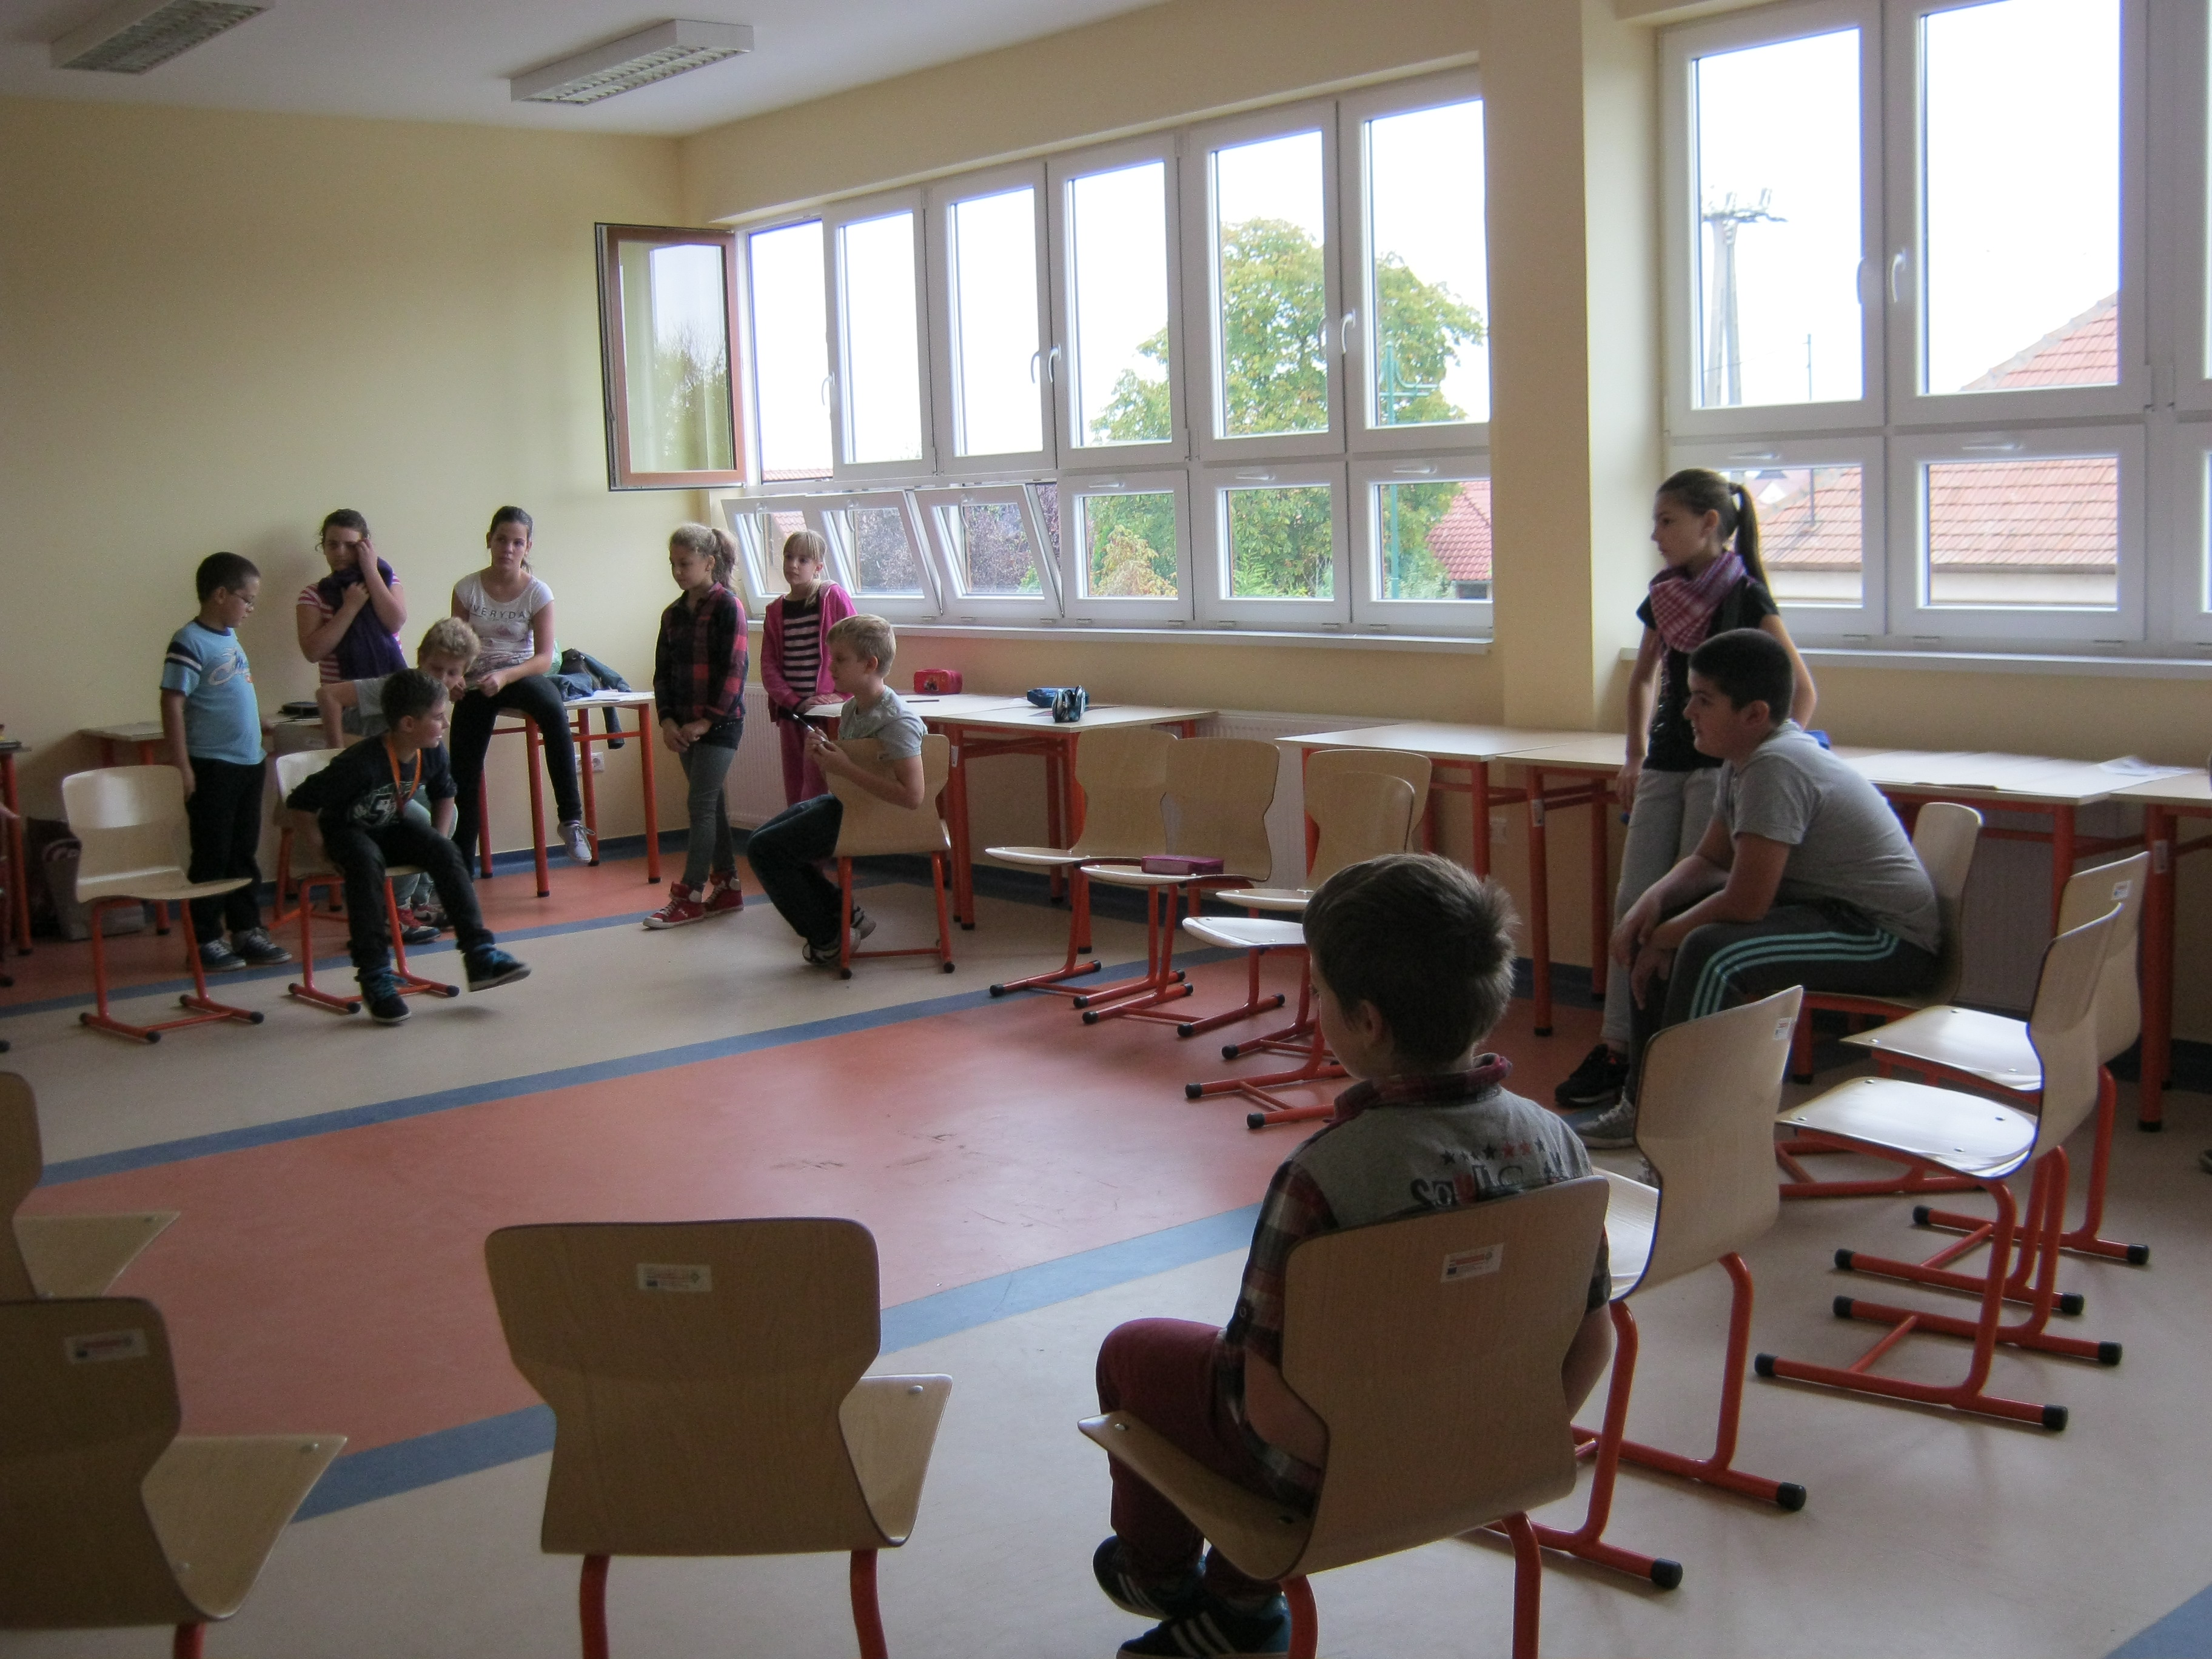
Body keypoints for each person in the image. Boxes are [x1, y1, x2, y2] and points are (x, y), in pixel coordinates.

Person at [1089, 853, 1613, 1659]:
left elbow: (1267, 1407)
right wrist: (1497, 1445)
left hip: (1338, 1469)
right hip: (1489, 1449)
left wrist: (1387, 1468)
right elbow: (1592, 1338)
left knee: (1135, 1353)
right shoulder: (1561, 1147)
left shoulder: (1321, 1178)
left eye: (1321, 992)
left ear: (1367, 1022)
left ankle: (1158, 1575)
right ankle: (1234, 1608)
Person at [1600, 628, 1939, 1144]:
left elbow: (1746, 902)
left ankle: (1679, 1128)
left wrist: (1665, 937)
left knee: (1710, 951)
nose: (1687, 711)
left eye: (1703, 700)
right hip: (1829, 914)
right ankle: (1644, 1105)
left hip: (1888, 940)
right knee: (1666, 927)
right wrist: (1650, 907)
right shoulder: (1743, 760)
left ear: (1754, 714)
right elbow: (1710, 859)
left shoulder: (1775, 766)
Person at [1557, 468, 1816, 1135]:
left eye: (1667, 521)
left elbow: (1801, 690)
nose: (1655, 535)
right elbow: (1644, 678)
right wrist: (1634, 754)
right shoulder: (1665, 594)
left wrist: (1761, 759)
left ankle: (1669, 1053)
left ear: (1709, 523)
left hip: (1717, 768)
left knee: (1684, 908)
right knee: (1634, 900)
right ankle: (1618, 1047)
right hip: (1667, 763)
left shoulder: (1746, 596)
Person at [284, 668, 530, 1025]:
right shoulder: (360, 763)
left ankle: (480, 955)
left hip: (387, 826)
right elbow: (300, 802)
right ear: (408, 724)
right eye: (438, 717)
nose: (445, 724)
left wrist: (436, 842)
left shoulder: (431, 752)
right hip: (346, 832)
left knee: (445, 851)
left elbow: (446, 794)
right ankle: (375, 975)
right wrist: (319, 850)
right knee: (366, 861)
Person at [743, 614, 922, 967]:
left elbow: (912, 796)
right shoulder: (854, 708)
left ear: (870, 664)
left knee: (766, 850)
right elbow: (850, 772)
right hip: (848, 804)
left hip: (871, 814)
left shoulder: (897, 721)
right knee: (763, 840)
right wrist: (827, 755)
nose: (831, 667)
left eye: (840, 659)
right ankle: (844, 916)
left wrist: (844, 767)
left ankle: (830, 937)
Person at [160, 551, 291, 973]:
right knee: (212, 855)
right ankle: (205, 938)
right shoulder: (189, 641)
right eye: (247, 599)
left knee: (243, 852)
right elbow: (173, 702)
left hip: (248, 763)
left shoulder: (230, 637)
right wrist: (182, 765)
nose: (251, 608)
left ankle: (246, 929)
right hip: (212, 766)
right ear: (220, 595)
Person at [316, 617, 480, 942]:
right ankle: (395, 909)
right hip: (367, 783)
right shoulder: (398, 687)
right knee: (418, 819)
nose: (443, 679)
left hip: (400, 782)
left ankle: (420, 900)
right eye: (436, 669)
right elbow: (328, 695)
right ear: (420, 659)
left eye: (452, 673)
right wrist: (336, 749)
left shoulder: (438, 695)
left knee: (449, 813)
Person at [445, 506, 592, 869]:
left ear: (528, 547)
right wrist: (455, 676)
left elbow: (543, 658)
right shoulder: (467, 589)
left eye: (517, 542)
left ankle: (571, 820)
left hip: (521, 675)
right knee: (464, 772)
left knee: (553, 709)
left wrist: (507, 676)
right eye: (501, 540)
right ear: (489, 541)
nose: (508, 549)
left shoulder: (538, 592)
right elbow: (455, 647)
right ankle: (460, 869)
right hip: (478, 682)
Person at [644, 524, 751, 929]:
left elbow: (735, 672)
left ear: (709, 562)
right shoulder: (672, 614)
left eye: (685, 564)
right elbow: (663, 674)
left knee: (700, 804)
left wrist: (707, 721)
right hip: (685, 726)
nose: (677, 572)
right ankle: (728, 885)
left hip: (721, 725)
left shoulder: (728, 606)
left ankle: (689, 894)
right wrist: (668, 720)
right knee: (712, 804)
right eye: (673, 564)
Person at [759, 529, 854, 805]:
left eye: (803, 560)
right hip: (793, 713)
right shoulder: (775, 610)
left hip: (827, 713)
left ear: (818, 567)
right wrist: (793, 701)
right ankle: (799, 834)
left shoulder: (832, 597)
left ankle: (829, 836)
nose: (793, 565)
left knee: (823, 785)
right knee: (796, 786)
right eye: (789, 557)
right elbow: (769, 666)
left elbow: (857, 647)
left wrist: (841, 695)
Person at [295, 509, 407, 685]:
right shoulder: (314, 594)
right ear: (323, 547)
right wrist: (350, 608)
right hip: (339, 695)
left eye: (351, 545)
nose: (341, 552)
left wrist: (370, 570)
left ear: (365, 546)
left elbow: (395, 622)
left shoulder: (386, 578)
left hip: (392, 690)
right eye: (333, 545)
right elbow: (312, 653)